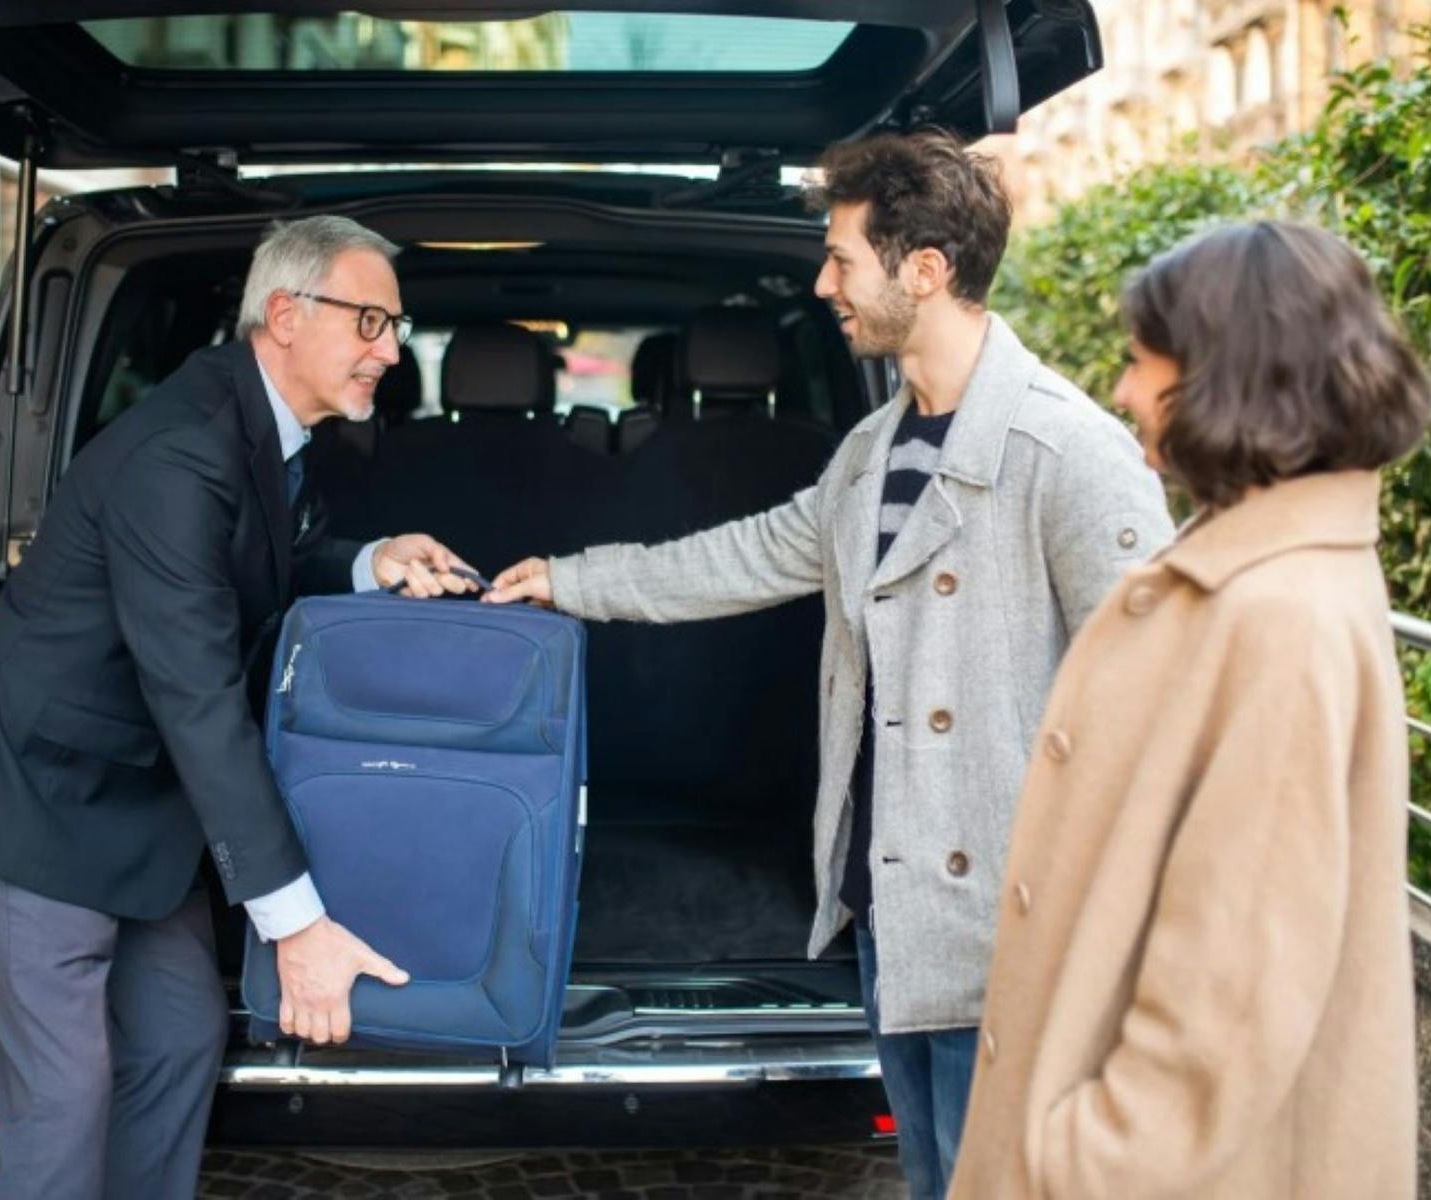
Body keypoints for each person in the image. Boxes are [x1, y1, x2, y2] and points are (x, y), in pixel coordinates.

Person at [484, 131, 1175, 1199]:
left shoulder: (1067, 455)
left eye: (841, 258)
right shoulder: (873, 448)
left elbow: (1155, 709)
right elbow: (749, 553)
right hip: (885, 908)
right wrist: (572, 578)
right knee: (936, 1176)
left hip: (1014, 935)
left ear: (925, 270)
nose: (822, 284)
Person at [0, 215, 478, 1200]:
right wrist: (296, 926)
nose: (392, 350)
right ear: (286, 315)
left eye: (395, 324)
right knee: (67, 1084)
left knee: (175, 1039)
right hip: (36, 794)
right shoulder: (182, 450)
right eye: (371, 321)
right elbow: (196, 692)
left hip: (137, 798)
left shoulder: (263, 422)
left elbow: (250, 568)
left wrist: (370, 564)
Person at [947, 220, 1431, 1199]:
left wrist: (1070, 1163)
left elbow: (1230, 1003)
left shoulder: (1275, 617)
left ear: (1224, 375)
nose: (1123, 390)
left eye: (1139, 362)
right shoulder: (1267, 578)